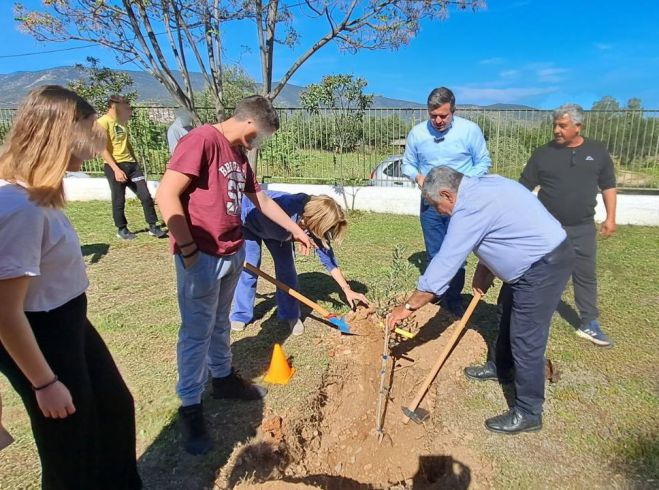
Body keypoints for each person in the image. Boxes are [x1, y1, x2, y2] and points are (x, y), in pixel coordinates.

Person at [0, 85, 142, 488]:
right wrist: (44, 383)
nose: (95, 146)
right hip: (42, 333)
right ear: (59, 135)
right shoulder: (19, 208)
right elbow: (5, 314)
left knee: (114, 407)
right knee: (71, 442)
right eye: (87, 134)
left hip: (69, 318)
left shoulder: (39, 195)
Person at [156, 95, 313, 456]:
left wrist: (297, 230)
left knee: (220, 324)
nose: (256, 142)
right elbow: (167, 194)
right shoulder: (201, 141)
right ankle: (190, 406)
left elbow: (262, 199)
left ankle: (223, 379)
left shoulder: (239, 156)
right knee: (197, 330)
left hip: (232, 251)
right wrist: (189, 248)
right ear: (247, 123)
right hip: (201, 257)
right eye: (258, 135)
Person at [387, 166, 575, 435]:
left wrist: (408, 307)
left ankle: (529, 411)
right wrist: (485, 269)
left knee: (526, 337)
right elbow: (499, 230)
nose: (439, 212)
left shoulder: (469, 208)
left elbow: (445, 264)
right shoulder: (483, 187)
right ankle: (501, 367)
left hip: (543, 265)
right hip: (530, 261)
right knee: (505, 314)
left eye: (436, 205)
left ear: (446, 194)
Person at [521, 103, 617, 347]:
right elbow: (523, 188)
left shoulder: (597, 151)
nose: (556, 130)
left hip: (582, 227)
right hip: (548, 229)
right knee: (540, 272)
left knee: (585, 275)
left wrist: (611, 217)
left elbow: (608, 185)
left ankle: (589, 322)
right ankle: (534, 315)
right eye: (555, 125)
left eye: (562, 125)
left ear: (578, 126)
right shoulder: (543, 154)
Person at [401, 87, 491, 316]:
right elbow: (407, 164)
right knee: (434, 253)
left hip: (460, 203)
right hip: (430, 203)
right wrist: (418, 177)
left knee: (457, 253)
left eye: (443, 115)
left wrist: (464, 183)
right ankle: (436, 296)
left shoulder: (469, 131)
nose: (438, 120)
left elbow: (483, 162)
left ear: (453, 111)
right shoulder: (418, 134)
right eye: (433, 116)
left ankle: (453, 300)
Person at [230, 191, 370, 336]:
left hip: (282, 233)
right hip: (249, 223)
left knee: (286, 272)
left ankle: (291, 315)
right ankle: (241, 314)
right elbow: (248, 210)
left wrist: (346, 289)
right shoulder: (286, 205)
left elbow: (327, 256)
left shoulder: (312, 224)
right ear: (314, 220)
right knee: (250, 270)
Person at [97, 95, 166, 240]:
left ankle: (153, 226)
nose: (127, 110)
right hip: (115, 166)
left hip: (131, 165)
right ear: (112, 106)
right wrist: (116, 169)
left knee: (145, 196)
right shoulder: (102, 122)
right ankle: (122, 229)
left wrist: (135, 161)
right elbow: (101, 148)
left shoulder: (122, 123)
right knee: (119, 199)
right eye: (124, 107)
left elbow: (127, 144)